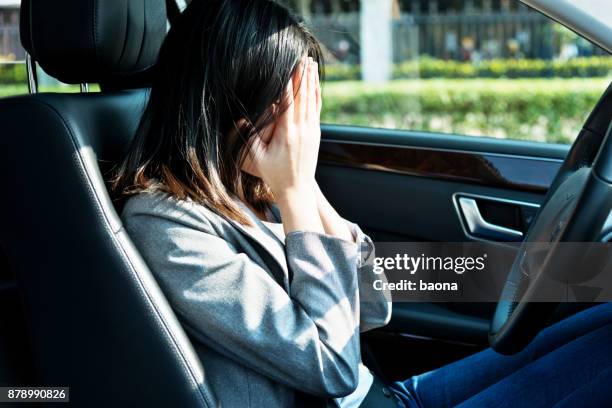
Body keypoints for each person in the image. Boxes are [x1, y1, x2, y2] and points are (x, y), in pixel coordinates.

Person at [112, 1, 612, 407]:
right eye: (287, 108)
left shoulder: (247, 185)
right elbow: (329, 363)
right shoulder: (166, 224)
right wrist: (293, 189)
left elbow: (372, 307)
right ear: (230, 105)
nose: (298, 130)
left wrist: (302, 188)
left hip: (383, 396)